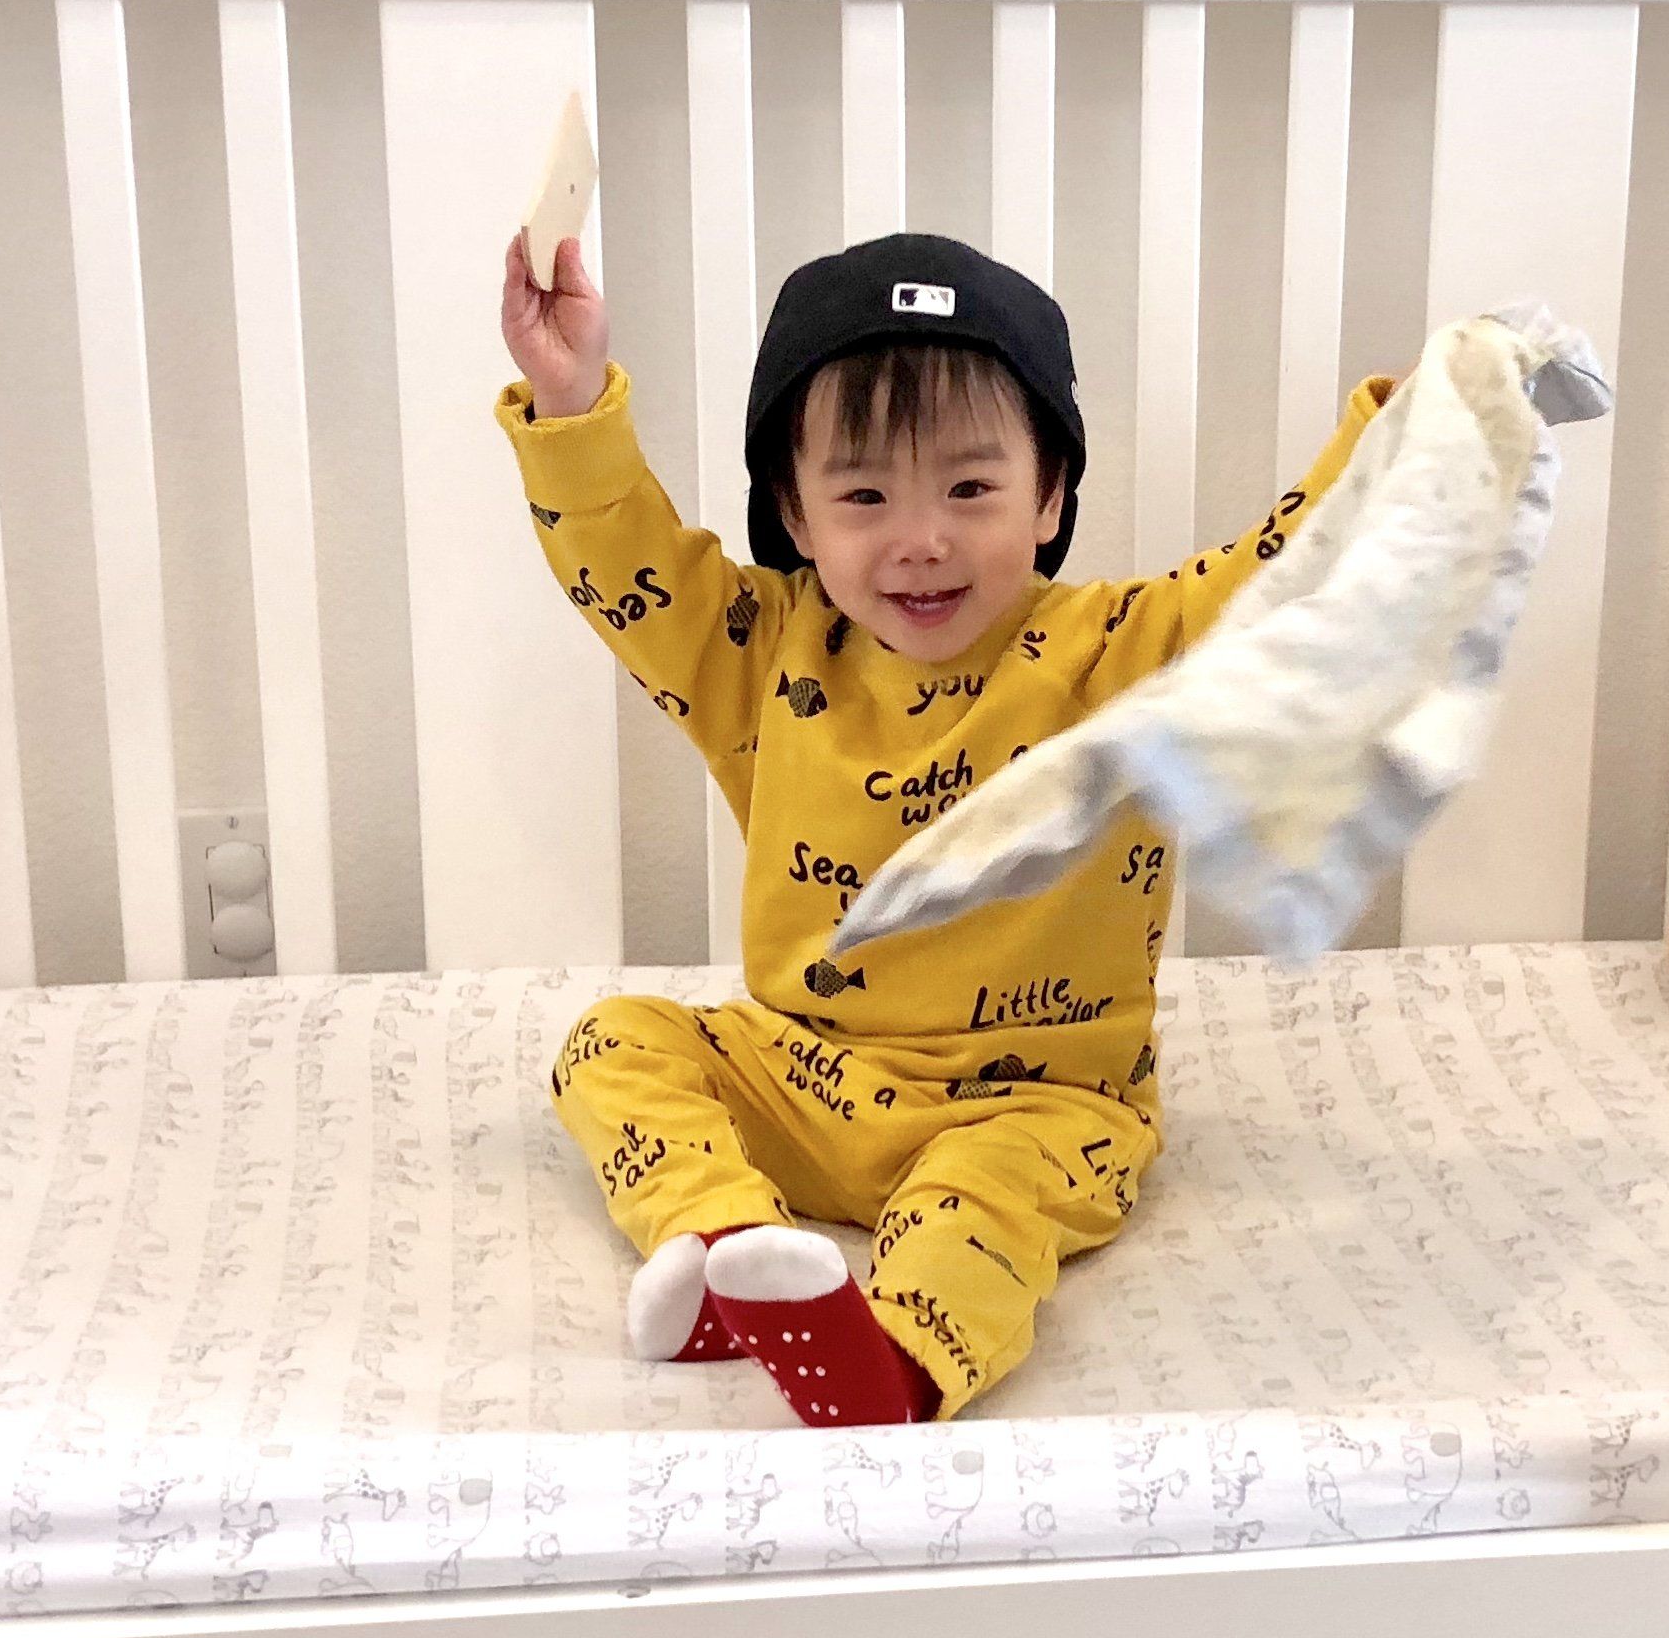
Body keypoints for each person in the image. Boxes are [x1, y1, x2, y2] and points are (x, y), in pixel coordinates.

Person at [497, 221, 1386, 1425]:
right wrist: (570, 399)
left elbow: (1281, 581)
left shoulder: (1120, 659)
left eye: (972, 488)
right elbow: (625, 556)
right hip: (809, 1078)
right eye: (863, 495)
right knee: (617, 1043)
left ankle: (892, 1368)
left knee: (979, 1207)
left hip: (1037, 1103)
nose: (921, 539)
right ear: (797, 518)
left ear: (1050, 495)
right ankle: (725, 1254)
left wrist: (1404, 437)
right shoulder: (756, 652)